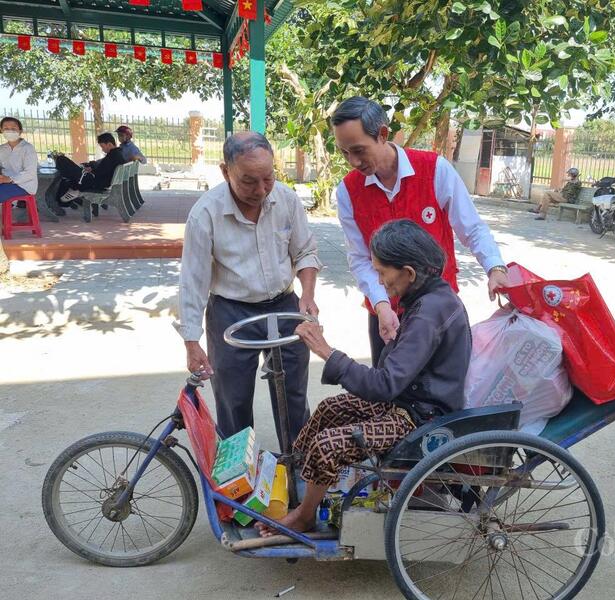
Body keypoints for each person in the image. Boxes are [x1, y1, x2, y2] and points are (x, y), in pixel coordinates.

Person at [256, 219, 471, 536]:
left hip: (420, 418)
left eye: (383, 273)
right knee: (330, 410)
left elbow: (383, 385)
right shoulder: (428, 300)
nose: (380, 282)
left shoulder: (429, 312)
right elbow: (398, 372)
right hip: (407, 402)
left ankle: (305, 514)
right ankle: (299, 478)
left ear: (409, 273)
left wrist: (327, 352)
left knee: (329, 444)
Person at [332, 96, 508, 367]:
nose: (353, 161)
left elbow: (471, 227)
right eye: (344, 153)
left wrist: (495, 268)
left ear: (382, 134)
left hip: (438, 311)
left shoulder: (434, 170)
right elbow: (359, 258)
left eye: (358, 150)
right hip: (384, 313)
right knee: (389, 395)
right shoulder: (348, 191)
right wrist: (381, 305)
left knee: (444, 394)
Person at [176, 131, 322, 441]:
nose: (260, 190)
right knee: (233, 400)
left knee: (293, 394)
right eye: (248, 181)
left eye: (267, 178)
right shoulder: (206, 213)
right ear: (225, 171)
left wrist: (307, 294)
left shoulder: (285, 199)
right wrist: (192, 341)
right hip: (231, 312)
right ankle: (239, 480)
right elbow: (193, 280)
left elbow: (305, 252)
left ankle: (301, 469)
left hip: (284, 307)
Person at [54, 132, 126, 207]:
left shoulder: (112, 156)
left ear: (109, 144)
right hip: (96, 180)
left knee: (61, 160)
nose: (102, 149)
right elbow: (103, 170)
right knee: (67, 171)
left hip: (92, 182)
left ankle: (72, 193)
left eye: (102, 146)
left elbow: (100, 171)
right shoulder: (117, 154)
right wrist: (92, 168)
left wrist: (92, 169)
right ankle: (69, 195)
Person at [0, 116, 38, 205]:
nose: (10, 131)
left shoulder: (28, 148)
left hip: (24, 185)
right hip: (5, 183)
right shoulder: (1, 149)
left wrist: (9, 179)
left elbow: (30, 173)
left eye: (13, 128)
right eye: (6, 128)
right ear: (1, 130)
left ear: (20, 131)